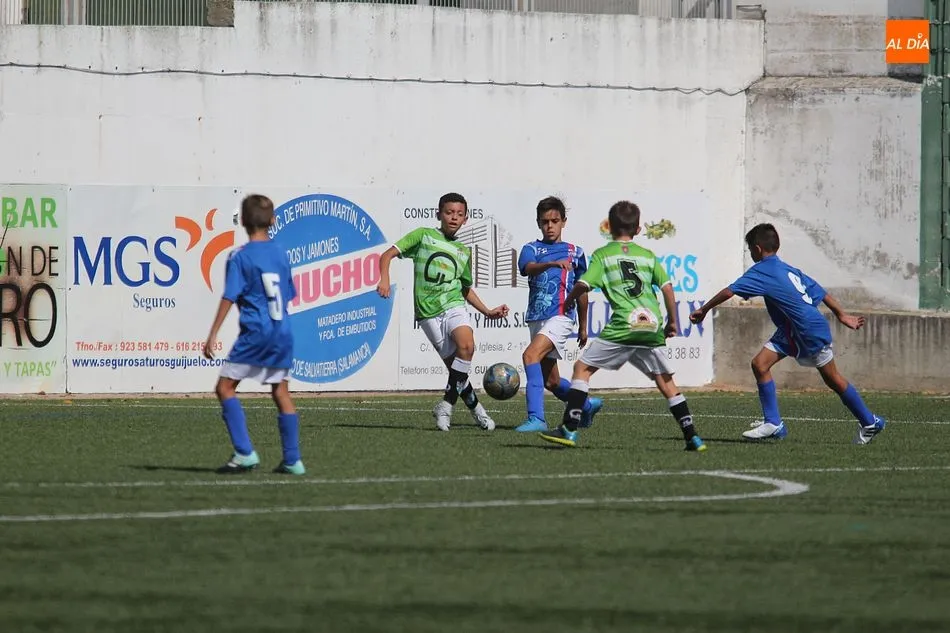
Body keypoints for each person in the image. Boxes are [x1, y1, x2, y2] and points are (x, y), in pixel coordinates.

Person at [689, 222, 886, 444]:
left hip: (807, 329)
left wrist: (704, 309)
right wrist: (841, 314)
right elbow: (821, 292)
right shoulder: (788, 269)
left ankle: (870, 422)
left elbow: (729, 291)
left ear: (757, 249)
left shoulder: (763, 270)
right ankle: (773, 424)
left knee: (833, 379)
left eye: (749, 250)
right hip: (792, 329)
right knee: (760, 364)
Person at [539, 200, 707, 451]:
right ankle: (692, 436)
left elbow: (584, 284)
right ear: (638, 230)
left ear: (609, 228)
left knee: (582, 368)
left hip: (624, 325)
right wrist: (673, 322)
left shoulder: (603, 256)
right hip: (650, 325)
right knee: (667, 383)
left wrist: (569, 301)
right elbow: (667, 288)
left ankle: (569, 429)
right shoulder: (648, 256)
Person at [377, 192, 509, 432]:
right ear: (439, 214)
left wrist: (488, 311)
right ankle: (478, 411)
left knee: (467, 346)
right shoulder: (423, 236)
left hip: (453, 305)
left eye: (459, 214)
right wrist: (384, 279)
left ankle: (446, 406)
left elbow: (465, 288)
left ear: (466, 219)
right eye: (449, 213)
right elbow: (388, 255)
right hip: (427, 312)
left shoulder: (463, 251)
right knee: (458, 373)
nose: (454, 218)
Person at [203, 194, 304, 475]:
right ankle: (293, 460)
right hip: (282, 332)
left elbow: (230, 295)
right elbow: (289, 295)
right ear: (273, 220)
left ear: (243, 221)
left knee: (225, 388)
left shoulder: (239, 256)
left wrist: (213, 334)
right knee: (280, 391)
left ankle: (245, 452)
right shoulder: (282, 253)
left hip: (256, 333)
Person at [515, 196, 603, 433]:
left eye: (555, 220)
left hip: (561, 316)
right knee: (551, 381)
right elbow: (528, 268)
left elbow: (582, 289)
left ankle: (537, 419)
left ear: (564, 221)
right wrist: (552, 264)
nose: (550, 226)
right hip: (536, 317)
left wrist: (583, 325)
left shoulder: (576, 252)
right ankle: (586, 405)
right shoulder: (531, 249)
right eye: (545, 222)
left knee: (530, 355)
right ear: (538, 223)